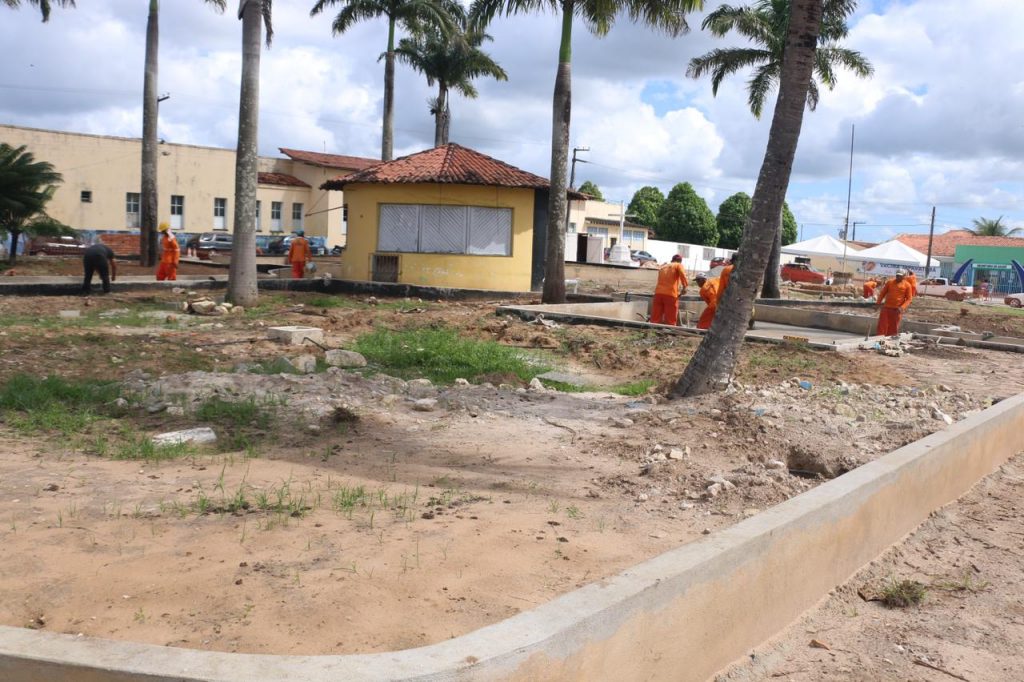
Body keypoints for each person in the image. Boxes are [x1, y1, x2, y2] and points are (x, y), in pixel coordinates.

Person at [651, 254, 688, 325]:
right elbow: (683, 275)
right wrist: (685, 287)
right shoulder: (678, 265)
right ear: (680, 261)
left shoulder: (663, 267)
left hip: (658, 294)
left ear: (672, 260)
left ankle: (653, 328)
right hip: (670, 294)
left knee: (656, 316)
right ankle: (670, 329)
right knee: (670, 318)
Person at [875, 269, 914, 336]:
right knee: (882, 325)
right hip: (886, 308)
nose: (898, 277)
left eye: (900, 276)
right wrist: (878, 303)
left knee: (893, 327)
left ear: (904, 276)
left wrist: (902, 307)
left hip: (897, 310)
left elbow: (909, 299)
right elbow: (882, 293)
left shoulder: (907, 285)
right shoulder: (890, 282)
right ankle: (879, 338)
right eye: (897, 275)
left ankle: (889, 339)